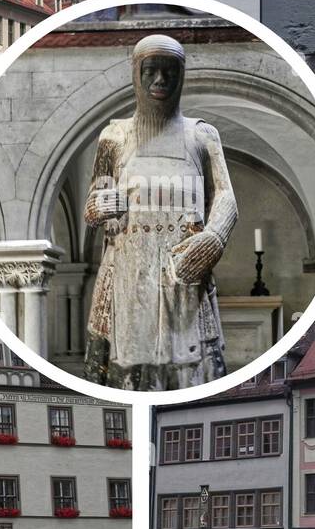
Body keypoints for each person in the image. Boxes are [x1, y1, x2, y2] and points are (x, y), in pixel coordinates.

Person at [82, 34, 238, 390]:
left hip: (182, 268)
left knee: (190, 371)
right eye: (150, 71)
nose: (160, 81)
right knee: (128, 371)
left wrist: (215, 237)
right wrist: (100, 204)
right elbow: (93, 203)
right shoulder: (115, 135)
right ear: (136, 74)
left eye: (169, 72)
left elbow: (225, 195)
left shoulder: (202, 135)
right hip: (127, 272)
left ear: (181, 75)